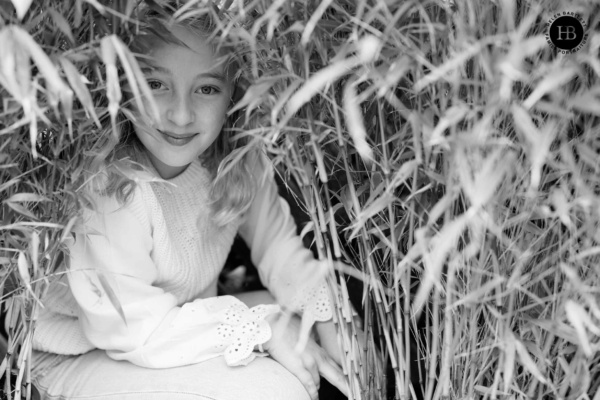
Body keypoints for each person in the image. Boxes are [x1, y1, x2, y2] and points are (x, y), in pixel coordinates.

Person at [30, 4, 348, 400]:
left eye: (207, 88)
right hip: (83, 351)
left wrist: (328, 319)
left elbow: (279, 249)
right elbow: (134, 328)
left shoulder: (236, 158)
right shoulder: (108, 184)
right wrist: (265, 328)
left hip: (175, 323)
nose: (180, 115)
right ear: (122, 83)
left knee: (304, 324)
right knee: (276, 390)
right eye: (155, 84)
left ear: (235, 92)